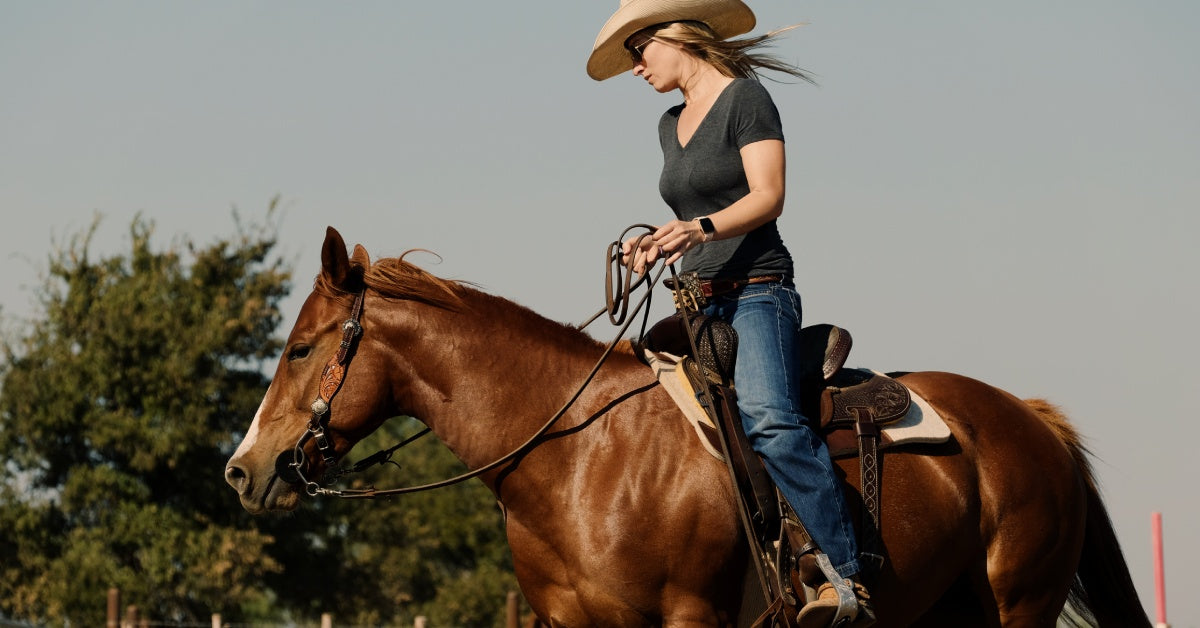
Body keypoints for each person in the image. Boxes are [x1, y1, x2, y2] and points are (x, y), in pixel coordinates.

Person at [588, 1, 873, 625]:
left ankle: (846, 576)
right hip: (695, 300)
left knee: (770, 419)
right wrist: (654, 244)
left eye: (640, 51)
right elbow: (691, 213)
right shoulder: (669, 123)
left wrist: (700, 228)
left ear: (674, 36)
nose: (636, 67)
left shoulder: (747, 99)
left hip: (757, 290)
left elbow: (769, 196)